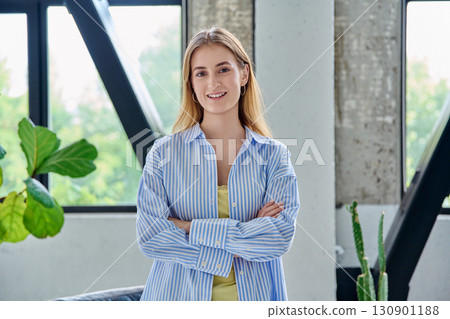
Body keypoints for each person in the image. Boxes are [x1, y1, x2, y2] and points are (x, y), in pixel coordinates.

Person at [136, 26, 300, 301]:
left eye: (223, 69)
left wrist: (188, 227)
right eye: (201, 73)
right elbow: (152, 236)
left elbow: (278, 237)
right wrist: (246, 235)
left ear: (244, 74)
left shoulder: (274, 156)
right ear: (191, 84)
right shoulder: (163, 154)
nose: (213, 83)